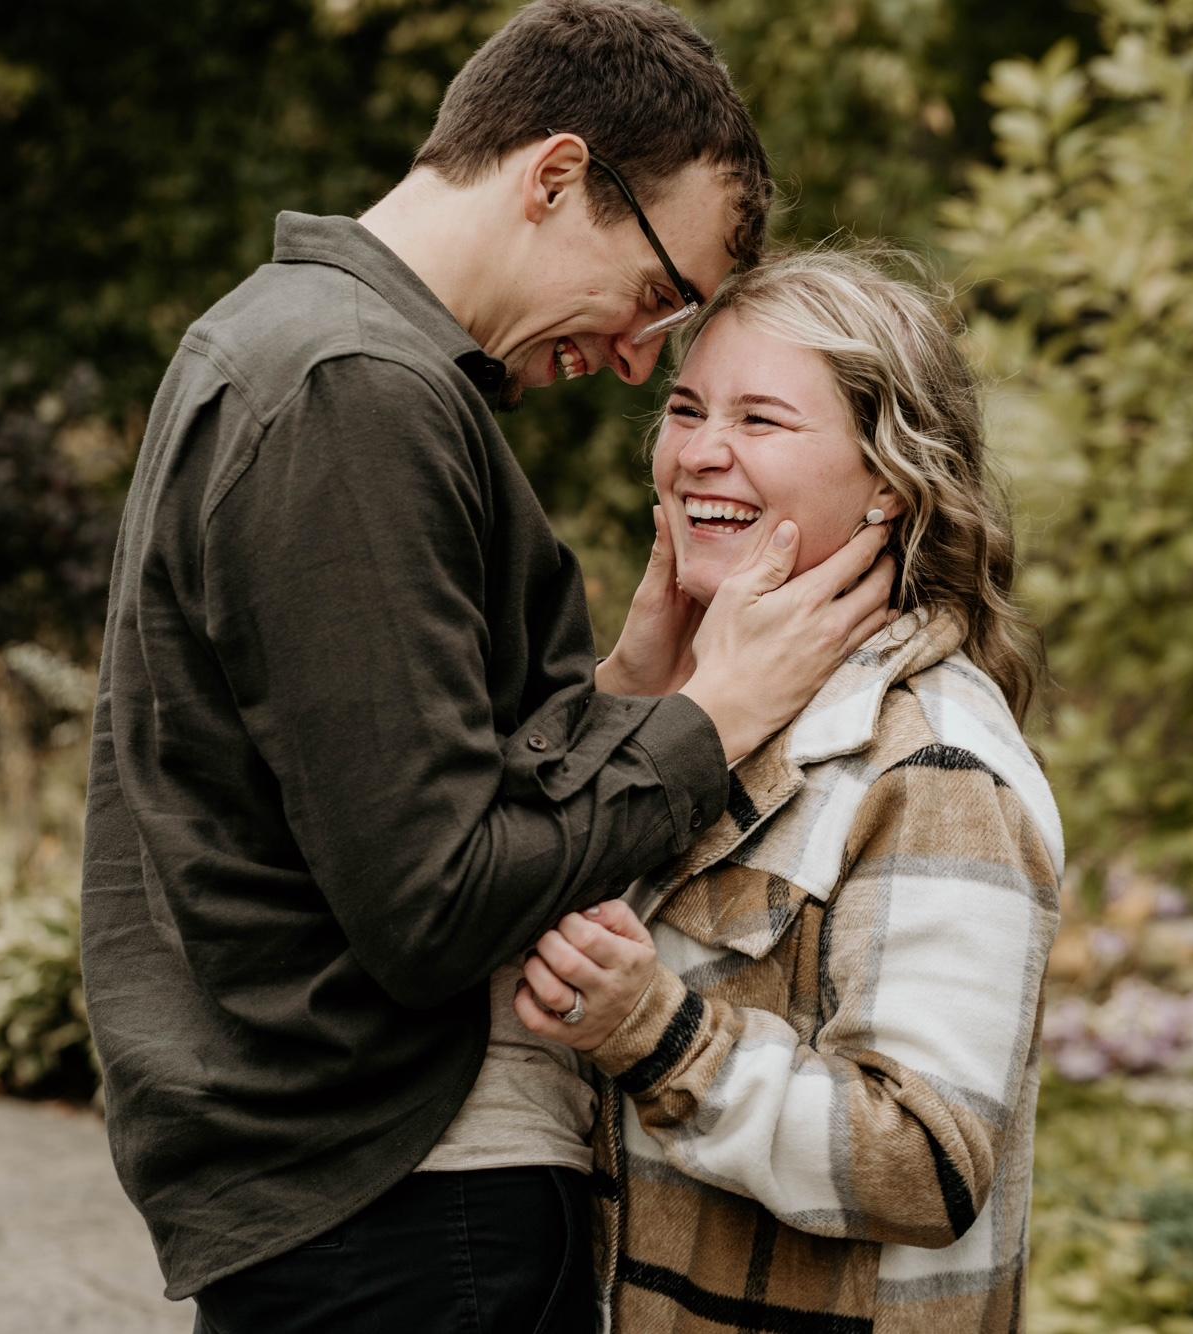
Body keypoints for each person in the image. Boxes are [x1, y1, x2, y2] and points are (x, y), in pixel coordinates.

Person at [81, 4, 896, 1331]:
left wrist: (624, 690)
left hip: (368, 1203)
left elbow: (411, 789)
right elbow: (435, 903)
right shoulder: (353, 388)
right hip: (408, 1199)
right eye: (655, 294)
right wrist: (711, 716)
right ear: (556, 176)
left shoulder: (295, 344)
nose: (637, 359)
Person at [517, 246, 1064, 1333]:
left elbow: (930, 1162)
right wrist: (629, 699)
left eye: (760, 420)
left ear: (890, 480)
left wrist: (657, 1031)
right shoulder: (702, 714)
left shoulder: (932, 766)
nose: (698, 453)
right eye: (685, 409)